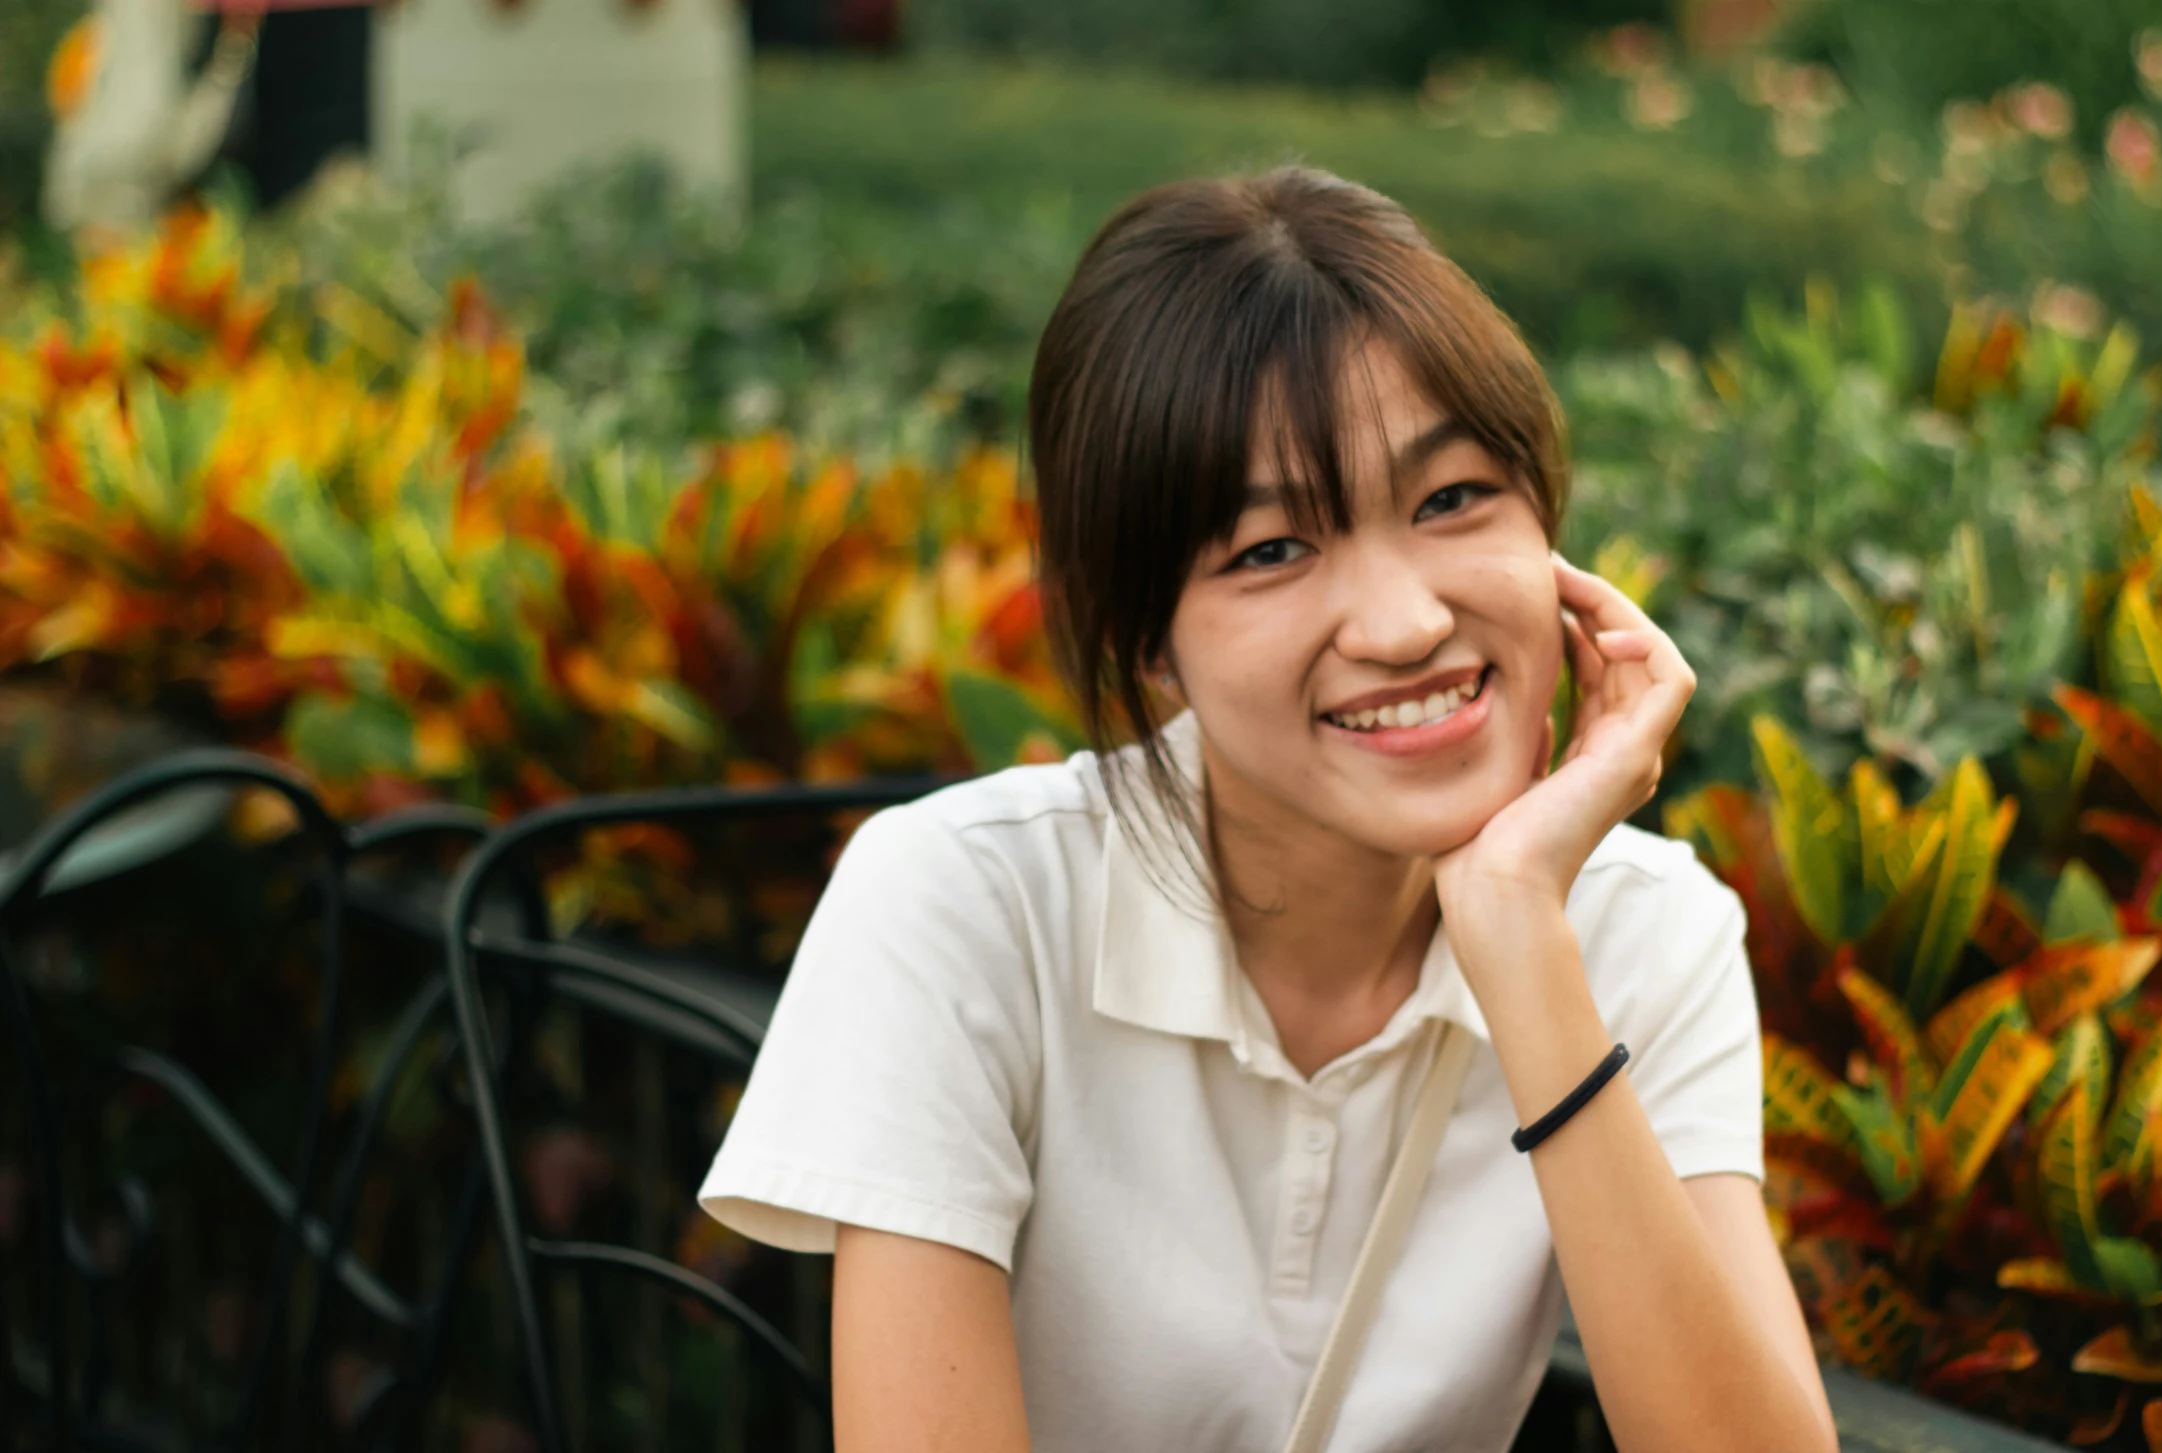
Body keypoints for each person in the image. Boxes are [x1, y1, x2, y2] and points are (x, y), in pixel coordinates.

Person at [699, 166, 1834, 1453]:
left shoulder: (1648, 932)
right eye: (1271, 552)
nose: (1407, 621)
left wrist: (1521, 939)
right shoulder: (961, 904)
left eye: (1453, 499)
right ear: (1147, 641)